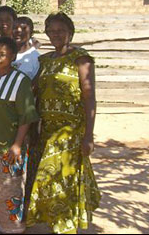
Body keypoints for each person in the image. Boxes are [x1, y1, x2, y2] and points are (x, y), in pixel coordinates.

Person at [27, 12, 101, 234]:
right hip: (47, 129)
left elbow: (89, 96)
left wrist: (89, 135)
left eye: (60, 31)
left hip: (70, 130)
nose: (55, 35)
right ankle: (57, 222)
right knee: (52, 178)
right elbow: (32, 90)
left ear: (70, 32)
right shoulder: (45, 60)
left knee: (60, 176)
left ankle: (64, 225)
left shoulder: (81, 58)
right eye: (51, 31)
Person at [0, 37, 39, 234]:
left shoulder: (20, 81)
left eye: (2, 55)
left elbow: (26, 116)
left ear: (12, 56)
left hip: (9, 146)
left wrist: (17, 144)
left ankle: (13, 227)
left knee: (10, 188)